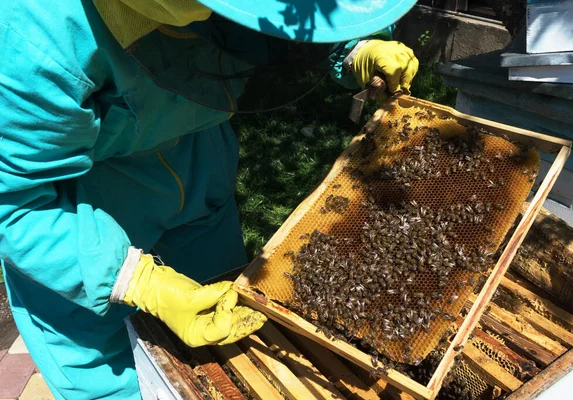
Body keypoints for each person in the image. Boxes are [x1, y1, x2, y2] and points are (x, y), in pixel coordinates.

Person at [0, 1, 419, 398]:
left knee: (230, 347)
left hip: (199, 175)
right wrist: (133, 279)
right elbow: (14, 201)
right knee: (125, 382)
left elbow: (298, 13)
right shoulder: (32, 32)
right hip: (73, 216)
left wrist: (353, 45)